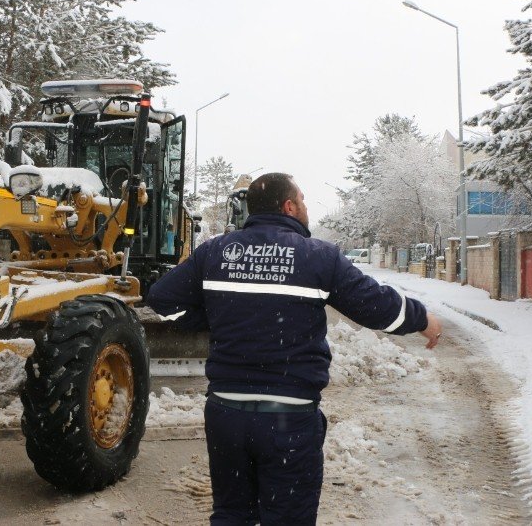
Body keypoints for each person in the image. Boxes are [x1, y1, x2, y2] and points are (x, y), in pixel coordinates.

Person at [145, 172, 442, 525]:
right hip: (289, 420)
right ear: (289, 206)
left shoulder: (216, 251)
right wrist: (424, 320)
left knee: (232, 515)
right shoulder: (318, 256)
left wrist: (215, 317)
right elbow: (378, 308)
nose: (305, 206)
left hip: (226, 416)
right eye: (302, 199)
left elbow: (162, 299)